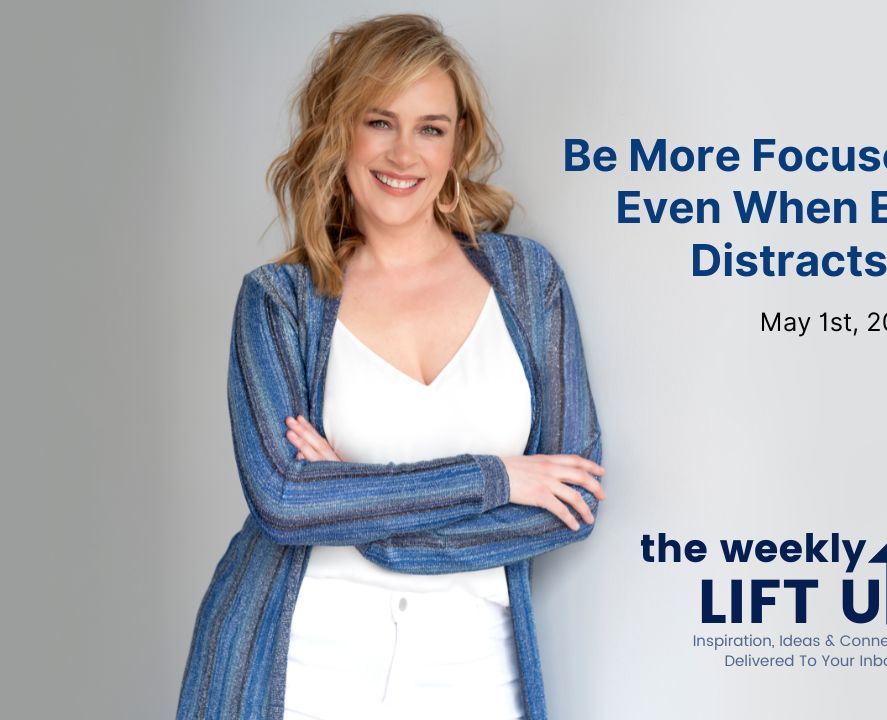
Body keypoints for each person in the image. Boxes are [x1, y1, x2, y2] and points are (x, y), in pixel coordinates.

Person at [175, 14, 605, 720]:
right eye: (380, 122)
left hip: (474, 679)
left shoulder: (528, 283)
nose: (404, 153)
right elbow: (284, 501)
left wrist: (352, 508)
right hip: (300, 667)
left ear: (458, 142)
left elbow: (572, 504)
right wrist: (496, 477)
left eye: (431, 127)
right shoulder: (278, 303)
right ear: (339, 130)